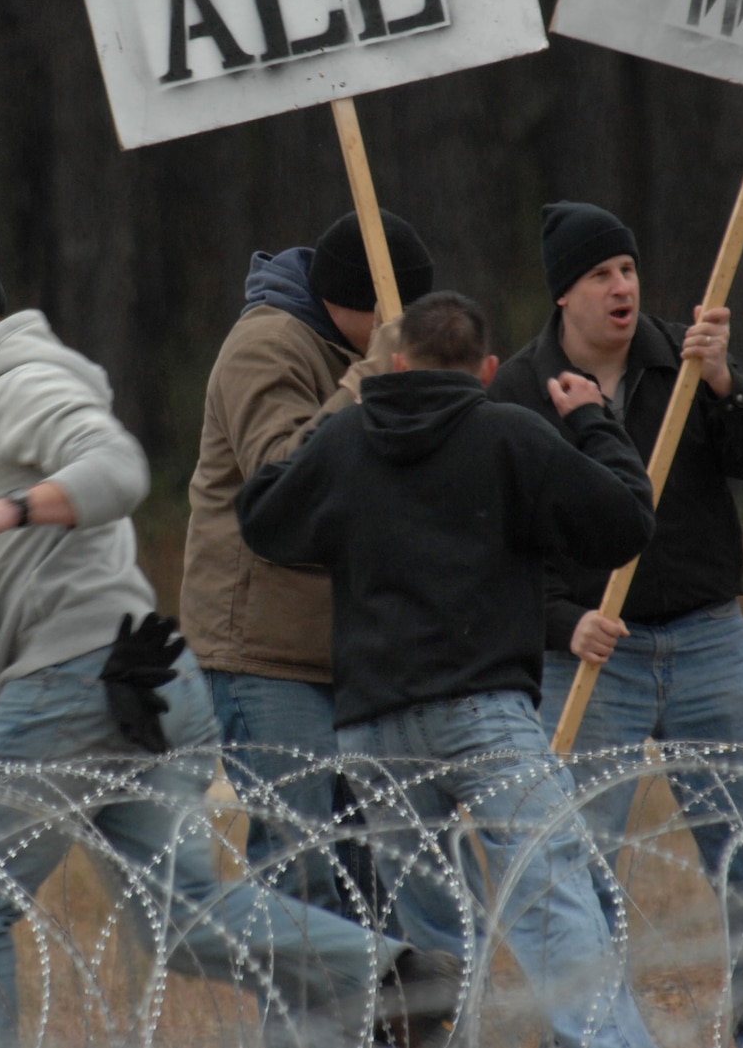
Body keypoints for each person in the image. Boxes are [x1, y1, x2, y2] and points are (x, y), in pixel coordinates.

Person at [0, 264, 460, 1048]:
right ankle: (398, 972)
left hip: (72, 680)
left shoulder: (18, 385)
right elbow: (7, 584)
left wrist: (8, 508)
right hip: (135, 680)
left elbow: (118, 467)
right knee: (185, 921)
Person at [236, 290, 662, 1048]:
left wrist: (343, 421)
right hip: (485, 707)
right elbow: (626, 519)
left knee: (430, 930)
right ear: (489, 369)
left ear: (395, 363)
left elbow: (263, 516)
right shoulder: (509, 433)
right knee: (550, 895)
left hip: (376, 723)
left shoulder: (346, 441)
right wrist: (592, 421)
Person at [489, 202, 743, 1046]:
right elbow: (491, 547)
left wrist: (727, 383)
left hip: (707, 637)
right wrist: (563, 621)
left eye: (627, 269)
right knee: (582, 865)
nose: (621, 287)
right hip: (595, 657)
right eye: (600, 274)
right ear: (565, 294)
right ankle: (594, 1032)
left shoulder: (684, 357)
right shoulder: (521, 391)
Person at [181, 210, 430, 918]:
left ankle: (374, 1025)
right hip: (263, 652)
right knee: (305, 870)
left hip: (348, 649)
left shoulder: (355, 350)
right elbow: (285, 479)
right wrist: (371, 378)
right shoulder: (265, 344)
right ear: (373, 302)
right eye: (401, 308)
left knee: (369, 866)